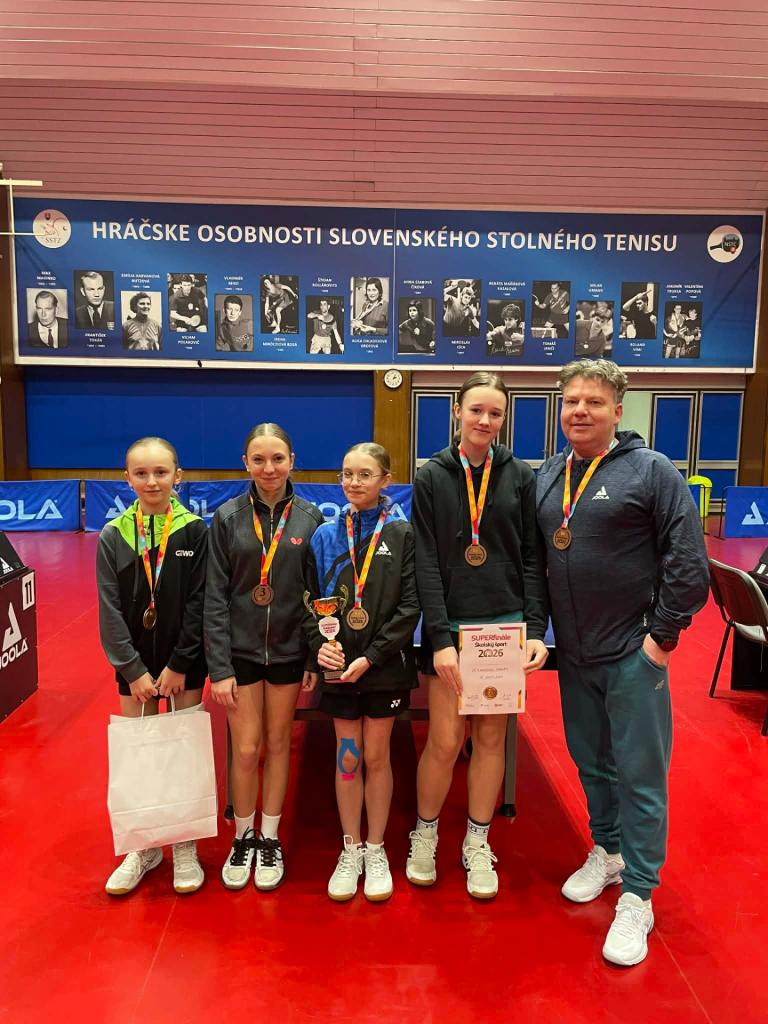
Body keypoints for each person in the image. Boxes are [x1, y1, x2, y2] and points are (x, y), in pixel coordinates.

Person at [536, 359, 709, 967]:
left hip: (633, 654)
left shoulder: (651, 470)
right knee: (591, 763)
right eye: (571, 401)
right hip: (575, 655)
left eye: (593, 401)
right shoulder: (550, 474)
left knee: (640, 775)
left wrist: (660, 638)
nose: (580, 411)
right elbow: (538, 561)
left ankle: (638, 892)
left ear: (617, 410)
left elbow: (689, 562)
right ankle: (607, 853)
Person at [407, 371, 549, 899]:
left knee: (491, 740)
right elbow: (425, 560)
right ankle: (425, 835)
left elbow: (532, 557)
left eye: (495, 413)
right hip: (452, 628)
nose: (485, 420)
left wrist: (535, 628)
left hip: (503, 627)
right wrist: (440, 638)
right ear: (457, 412)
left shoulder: (520, 475)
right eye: (476, 410)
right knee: (446, 741)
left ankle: (477, 840)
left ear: (503, 419)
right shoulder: (432, 476)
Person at [205, 423, 323, 893]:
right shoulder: (227, 517)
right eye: (259, 460)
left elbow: (317, 598)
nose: (269, 468)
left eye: (277, 459)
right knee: (246, 748)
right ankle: (243, 836)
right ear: (246, 463)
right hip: (241, 653)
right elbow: (215, 597)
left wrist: (312, 658)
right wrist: (219, 667)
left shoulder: (311, 518)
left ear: (292, 460)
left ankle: (270, 837)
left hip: (290, 651)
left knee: (277, 744)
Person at [305, 443, 420, 902]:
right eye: (347, 473)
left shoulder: (403, 534)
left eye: (365, 474)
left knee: (376, 756)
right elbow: (311, 602)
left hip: (383, 666)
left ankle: (376, 849)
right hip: (339, 667)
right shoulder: (324, 536)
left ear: (385, 480)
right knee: (347, 757)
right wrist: (321, 649)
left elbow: (410, 606)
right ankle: (350, 848)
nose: (354, 482)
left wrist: (370, 656)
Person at [97, 437, 208, 896]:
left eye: (161, 472)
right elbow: (109, 611)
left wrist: (181, 663)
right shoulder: (114, 535)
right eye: (141, 473)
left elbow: (202, 602)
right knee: (140, 753)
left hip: (186, 664)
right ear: (127, 478)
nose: (152, 481)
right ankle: (143, 847)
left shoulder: (195, 531)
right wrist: (132, 669)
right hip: (136, 666)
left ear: (178, 476)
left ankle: (184, 843)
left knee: (183, 750)